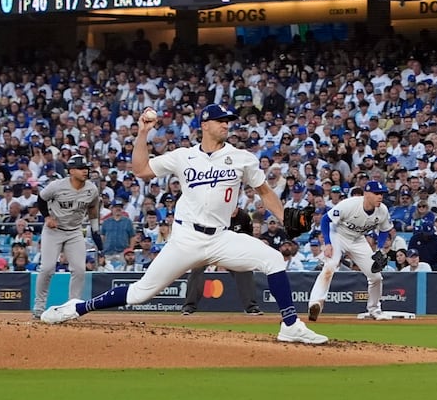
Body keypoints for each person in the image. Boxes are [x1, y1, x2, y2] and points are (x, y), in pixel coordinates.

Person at [40, 104, 327, 344]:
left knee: (273, 258)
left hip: (222, 238)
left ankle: (290, 325)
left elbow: (264, 192)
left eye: (228, 121)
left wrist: (284, 217)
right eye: (221, 121)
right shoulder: (183, 156)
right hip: (186, 238)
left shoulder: (243, 159)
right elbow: (141, 170)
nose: (227, 125)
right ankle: (76, 308)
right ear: (205, 124)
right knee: (140, 294)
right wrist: (143, 132)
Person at [306, 179, 394, 322]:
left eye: (382, 194)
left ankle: (375, 310)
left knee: (376, 276)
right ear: (366, 194)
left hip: (358, 239)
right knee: (330, 266)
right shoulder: (350, 204)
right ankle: (315, 303)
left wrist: (379, 248)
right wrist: (328, 244)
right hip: (338, 235)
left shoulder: (382, 210)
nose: (380, 197)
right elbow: (324, 220)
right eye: (377, 193)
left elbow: (385, 230)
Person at [33, 154, 101, 318]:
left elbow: (93, 208)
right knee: (47, 268)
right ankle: (39, 308)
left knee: (79, 269)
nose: (85, 171)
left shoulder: (91, 189)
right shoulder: (57, 186)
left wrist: (95, 229)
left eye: (86, 168)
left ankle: (72, 309)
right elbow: (41, 200)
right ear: (71, 171)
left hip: (74, 232)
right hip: (53, 231)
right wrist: (47, 217)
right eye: (81, 168)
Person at [183, 204, 262, 316]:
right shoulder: (216, 215)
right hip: (211, 248)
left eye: (235, 208)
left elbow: (248, 237)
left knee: (245, 269)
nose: (233, 211)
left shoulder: (243, 217)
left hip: (231, 251)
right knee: (196, 269)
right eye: (231, 208)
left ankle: (251, 307)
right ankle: (189, 307)